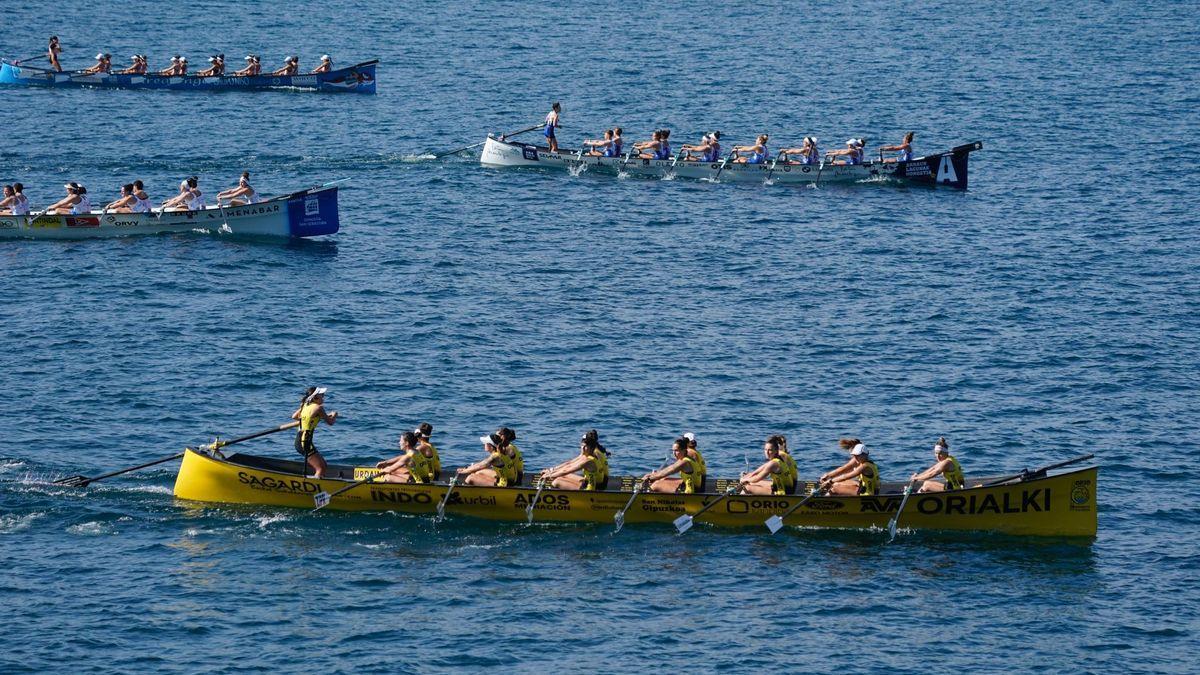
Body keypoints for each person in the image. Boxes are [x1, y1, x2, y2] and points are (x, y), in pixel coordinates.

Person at [539, 429, 610, 490]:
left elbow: (566, 470)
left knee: (556, 482)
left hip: (590, 489)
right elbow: (569, 464)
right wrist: (552, 471)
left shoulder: (588, 460)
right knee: (560, 476)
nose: (582, 448)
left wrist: (549, 476)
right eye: (582, 445)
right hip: (592, 482)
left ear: (591, 447)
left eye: (585, 446)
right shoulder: (590, 454)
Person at [291, 386, 337, 479]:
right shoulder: (319, 408)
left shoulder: (304, 405)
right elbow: (330, 422)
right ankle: (314, 489)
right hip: (305, 442)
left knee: (324, 465)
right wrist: (335, 415)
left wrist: (310, 419)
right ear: (315, 398)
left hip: (300, 439)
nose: (323, 397)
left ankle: (320, 483)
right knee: (320, 468)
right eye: (321, 395)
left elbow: (294, 416)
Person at [373, 430, 439, 484]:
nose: (399, 442)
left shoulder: (408, 457)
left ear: (407, 443)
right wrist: (385, 463)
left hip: (420, 485)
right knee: (397, 472)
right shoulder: (416, 452)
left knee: (387, 477)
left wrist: (382, 471)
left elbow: (390, 469)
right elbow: (402, 457)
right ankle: (409, 481)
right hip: (426, 481)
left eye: (401, 440)